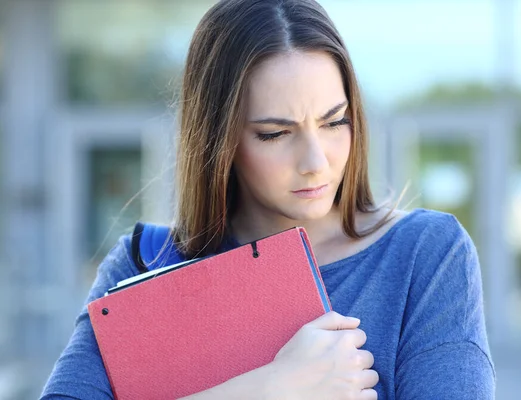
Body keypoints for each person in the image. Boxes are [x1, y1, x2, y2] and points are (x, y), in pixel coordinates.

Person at [41, 0, 495, 398]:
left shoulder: (425, 255)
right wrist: (270, 388)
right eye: (275, 133)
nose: (316, 161)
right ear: (220, 142)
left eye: (334, 122)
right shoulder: (144, 265)